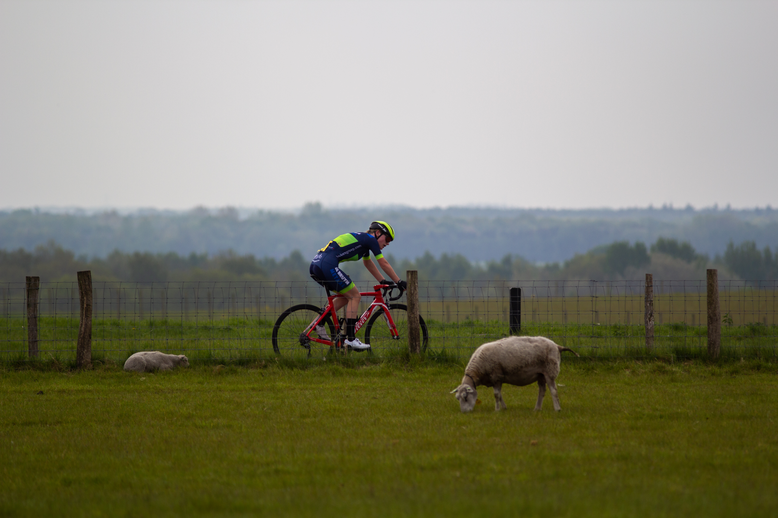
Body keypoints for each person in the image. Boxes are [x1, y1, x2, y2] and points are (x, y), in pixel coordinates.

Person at [309, 221, 407, 350]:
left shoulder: (364, 241)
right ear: (377, 233)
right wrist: (399, 281)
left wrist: (382, 281)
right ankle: (351, 339)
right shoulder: (371, 239)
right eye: (387, 238)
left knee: (346, 297)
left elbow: (368, 263)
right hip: (326, 265)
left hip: (316, 265)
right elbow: (383, 263)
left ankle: (318, 323)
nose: (387, 243)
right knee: (355, 296)